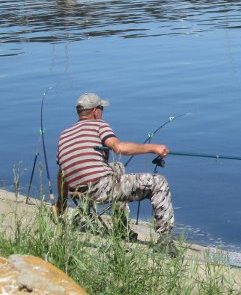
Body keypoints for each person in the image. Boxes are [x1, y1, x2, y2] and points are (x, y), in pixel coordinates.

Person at [56, 92, 176, 252]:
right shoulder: (99, 125)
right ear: (95, 111)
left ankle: (121, 229)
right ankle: (165, 241)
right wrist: (153, 148)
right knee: (158, 182)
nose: (102, 113)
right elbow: (119, 148)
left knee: (117, 167)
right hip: (101, 187)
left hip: (78, 191)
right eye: (101, 109)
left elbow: (62, 175)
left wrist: (61, 204)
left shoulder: (64, 135)